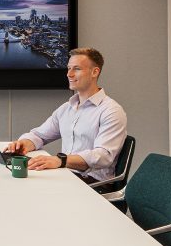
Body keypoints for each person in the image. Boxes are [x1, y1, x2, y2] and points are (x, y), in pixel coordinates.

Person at [7, 47, 127, 186]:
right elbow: (40, 135)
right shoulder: (66, 108)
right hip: (66, 175)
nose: (69, 74)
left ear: (95, 72)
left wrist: (61, 160)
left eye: (76, 69)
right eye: (68, 68)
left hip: (94, 183)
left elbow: (103, 156)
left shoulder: (111, 111)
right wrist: (25, 143)